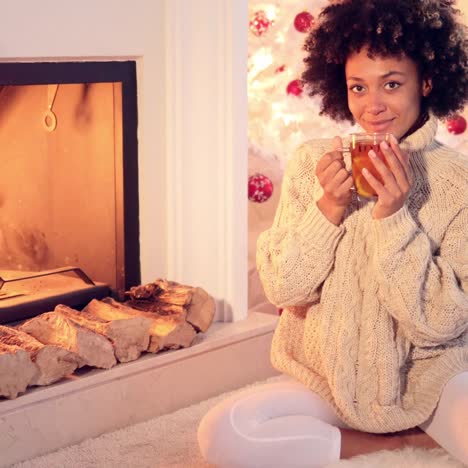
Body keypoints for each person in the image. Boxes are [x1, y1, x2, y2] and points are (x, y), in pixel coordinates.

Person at [197, 0, 468, 466]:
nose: (373, 105)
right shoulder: (311, 165)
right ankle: (397, 446)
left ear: (426, 81)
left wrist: (394, 216)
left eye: (392, 84)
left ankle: (414, 430)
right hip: (329, 381)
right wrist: (328, 208)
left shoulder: (458, 182)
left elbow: (440, 323)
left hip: (429, 380)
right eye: (358, 87)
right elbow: (284, 287)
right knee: (224, 433)